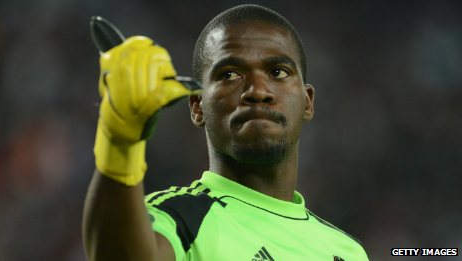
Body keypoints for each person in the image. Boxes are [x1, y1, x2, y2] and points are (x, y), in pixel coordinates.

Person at [82, 4, 369, 261]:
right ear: (197, 106)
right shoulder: (179, 219)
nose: (258, 91)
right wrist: (120, 142)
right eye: (229, 74)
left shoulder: (348, 251)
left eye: (278, 72)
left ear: (307, 102)